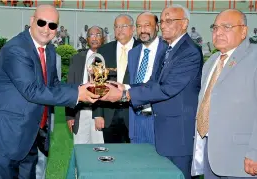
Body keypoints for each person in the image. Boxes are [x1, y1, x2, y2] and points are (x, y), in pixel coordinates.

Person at [0, 5, 98, 179]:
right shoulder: (16, 49)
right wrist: (76, 95)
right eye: (42, 22)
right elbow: (32, 91)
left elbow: (54, 85)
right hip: (4, 138)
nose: (46, 29)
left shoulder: (49, 50)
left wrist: (83, 88)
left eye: (52, 25)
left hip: (30, 136)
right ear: (31, 21)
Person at [101, 5, 203, 179]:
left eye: (169, 21)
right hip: (163, 129)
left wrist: (126, 95)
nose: (163, 25)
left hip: (178, 135)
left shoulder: (189, 52)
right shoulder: (171, 49)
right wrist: (125, 87)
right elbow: (153, 82)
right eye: (162, 21)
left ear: (185, 24)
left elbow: (166, 88)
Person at [191, 9, 257, 178]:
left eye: (227, 27)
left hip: (241, 159)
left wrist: (255, 152)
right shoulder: (212, 62)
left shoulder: (254, 58)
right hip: (210, 153)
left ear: (244, 31)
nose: (218, 32)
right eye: (215, 28)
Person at [92, 14, 140, 143]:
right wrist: (97, 114)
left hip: (134, 112)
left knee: (136, 156)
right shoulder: (103, 51)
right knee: (112, 156)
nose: (119, 30)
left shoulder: (142, 49)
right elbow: (98, 83)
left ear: (133, 28)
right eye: (116, 26)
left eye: (123, 26)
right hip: (109, 112)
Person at [128, 12, 167, 144]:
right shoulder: (132, 53)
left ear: (157, 27)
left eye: (147, 25)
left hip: (158, 119)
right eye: (139, 26)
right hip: (136, 117)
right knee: (136, 161)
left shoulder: (168, 50)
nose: (143, 30)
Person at [65, 26, 105, 144]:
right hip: (80, 112)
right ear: (87, 39)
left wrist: (100, 114)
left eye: (97, 35)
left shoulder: (108, 58)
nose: (94, 38)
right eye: (91, 35)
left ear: (103, 38)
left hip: (100, 113)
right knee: (81, 150)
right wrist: (69, 116)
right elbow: (70, 86)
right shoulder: (77, 58)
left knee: (100, 151)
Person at [36, 53, 62, 179]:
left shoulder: (55, 57)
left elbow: (57, 86)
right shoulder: (20, 51)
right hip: (23, 117)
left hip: (46, 115)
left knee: (42, 157)